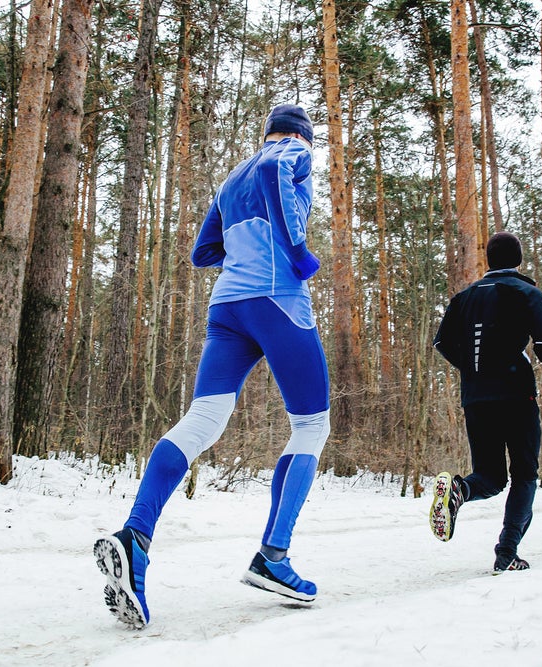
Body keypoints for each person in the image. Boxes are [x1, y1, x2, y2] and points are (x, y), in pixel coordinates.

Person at [93, 104, 330, 629]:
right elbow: (274, 173)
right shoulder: (290, 153)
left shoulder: (228, 180)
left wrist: (245, 258)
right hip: (278, 300)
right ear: (301, 135)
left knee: (202, 420)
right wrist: (296, 253)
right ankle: (274, 557)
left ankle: (135, 536)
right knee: (312, 424)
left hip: (227, 307)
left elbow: (204, 252)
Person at [431, 231, 542, 573]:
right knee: (524, 473)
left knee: (489, 477)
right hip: (516, 395)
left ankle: (460, 489)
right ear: (518, 260)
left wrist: (474, 367)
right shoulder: (526, 292)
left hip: (476, 397)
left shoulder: (462, 299)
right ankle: (507, 552)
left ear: (489, 260)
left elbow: (442, 343)